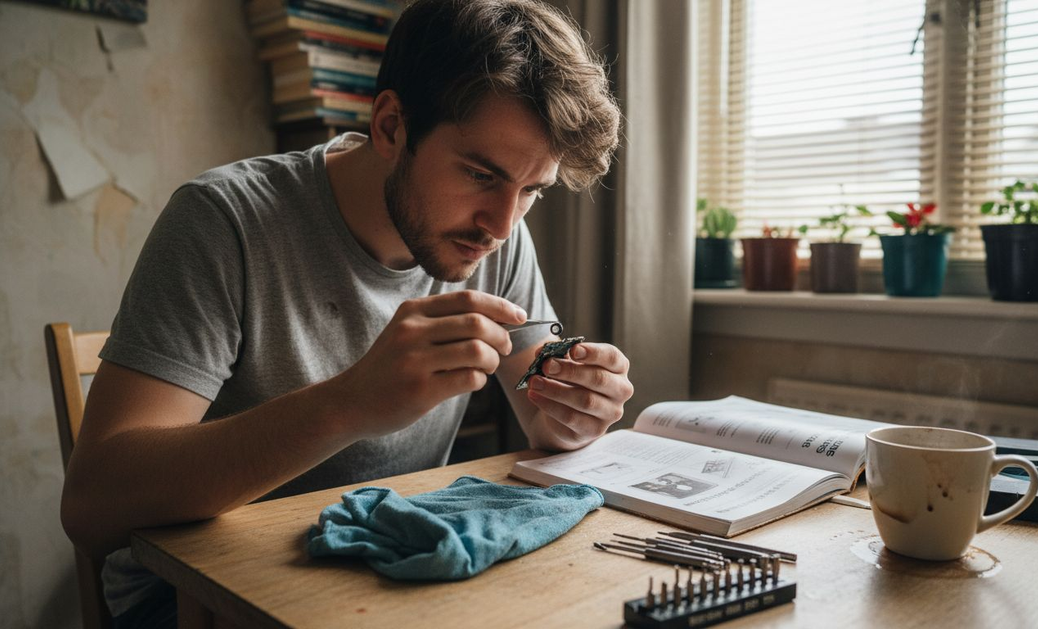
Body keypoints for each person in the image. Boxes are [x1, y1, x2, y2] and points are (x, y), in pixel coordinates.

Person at [59, 0, 631, 626]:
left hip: (382, 572)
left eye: (532, 191)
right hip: (185, 599)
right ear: (390, 127)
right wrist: (350, 402)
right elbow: (93, 507)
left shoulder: (495, 235)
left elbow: (544, 416)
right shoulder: (223, 222)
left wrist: (579, 407)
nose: (502, 223)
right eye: (478, 174)